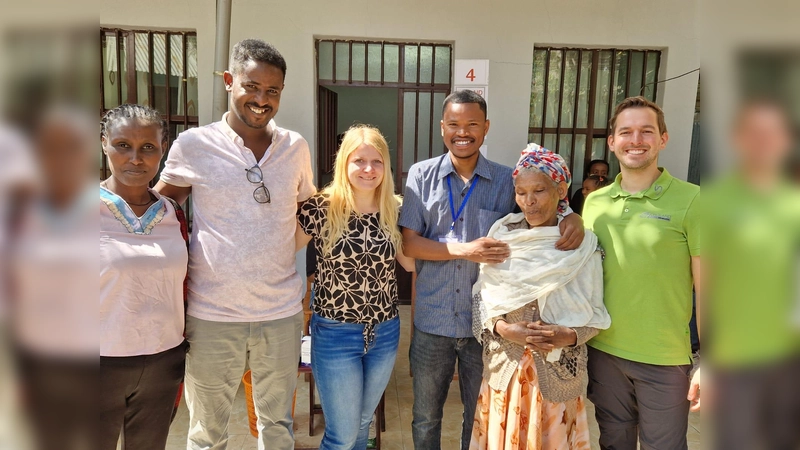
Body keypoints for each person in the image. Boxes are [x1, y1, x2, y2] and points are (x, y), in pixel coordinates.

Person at [398, 90, 585, 450]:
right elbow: (410, 244)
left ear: (485, 128)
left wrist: (570, 214)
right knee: (425, 417)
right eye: (454, 124)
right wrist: (467, 250)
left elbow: (537, 210)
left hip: (485, 326)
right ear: (442, 128)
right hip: (432, 322)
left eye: (472, 124)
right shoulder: (421, 176)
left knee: (480, 416)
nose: (462, 132)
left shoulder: (505, 180)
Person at [155, 39, 315, 449]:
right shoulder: (194, 145)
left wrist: (282, 248)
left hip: (280, 314)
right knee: (207, 433)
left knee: (277, 428)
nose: (261, 100)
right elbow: (160, 212)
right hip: (212, 315)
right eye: (251, 87)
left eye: (272, 91)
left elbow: (308, 213)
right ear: (229, 81)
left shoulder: (295, 147)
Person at [470, 144, 611, 450]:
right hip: (505, 373)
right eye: (521, 192)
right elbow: (482, 300)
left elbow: (595, 312)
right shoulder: (503, 237)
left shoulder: (583, 246)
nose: (529, 201)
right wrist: (505, 329)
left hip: (558, 376)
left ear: (561, 190)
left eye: (539, 191)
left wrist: (569, 336)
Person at [582, 96, 701, 449]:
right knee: (613, 443)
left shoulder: (694, 201)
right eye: (626, 132)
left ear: (663, 139)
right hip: (603, 351)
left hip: (664, 359)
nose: (636, 140)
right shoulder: (595, 203)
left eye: (646, 131)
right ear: (612, 142)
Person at [296, 125, 415, 450]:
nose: (368, 169)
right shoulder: (321, 207)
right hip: (335, 333)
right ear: (344, 163)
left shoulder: (396, 209)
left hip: (385, 332)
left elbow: (410, 263)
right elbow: (283, 249)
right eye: (359, 161)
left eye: (377, 161)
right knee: (342, 435)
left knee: (363, 423)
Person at [705, 99, 800, 450]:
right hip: (736, 359)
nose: (763, 142)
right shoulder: (713, 203)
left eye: (773, 133)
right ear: (737, 139)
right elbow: (708, 285)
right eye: (754, 133)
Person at [99, 104, 189, 449]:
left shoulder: (172, 213)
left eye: (148, 147)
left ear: (163, 150)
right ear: (104, 143)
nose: (135, 159)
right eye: (123, 145)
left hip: (162, 362)